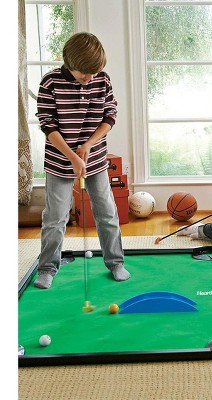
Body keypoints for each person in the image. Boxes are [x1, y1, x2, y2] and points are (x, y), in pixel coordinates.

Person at [34, 32, 131, 289]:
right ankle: (47, 268)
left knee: (107, 212)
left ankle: (116, 263)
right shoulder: (50, 82)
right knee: (55, 217)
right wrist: (72, 157)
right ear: (69, 64)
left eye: (94, 73)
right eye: (84, 74)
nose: (89, 78)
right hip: (59, 161)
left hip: (95, 159)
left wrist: (88, 145)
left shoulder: (102, 79)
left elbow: (110, 115)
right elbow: (47, 124)